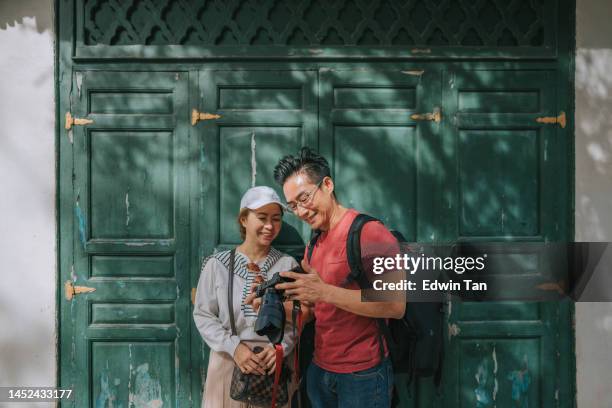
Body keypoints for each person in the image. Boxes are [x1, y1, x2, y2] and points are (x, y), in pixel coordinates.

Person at [272, 147, 405, 408]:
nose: (300, 211)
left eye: (305, 198)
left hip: (363, 375)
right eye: (293, 206)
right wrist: (273, 309)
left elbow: (395, 305)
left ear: (328, 185)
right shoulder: (314, 244)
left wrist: (325, 292)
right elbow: (311, 312)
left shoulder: (370, 233)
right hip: (320, 371)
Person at [193, 186, 299, 408]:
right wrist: (235, 348)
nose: (270, 226)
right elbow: (203, 315)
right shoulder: (217, 265)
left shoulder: (287, 266)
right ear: (243, 220)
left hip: (272, 368)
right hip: (227, 364)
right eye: (262, 218)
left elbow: (298, 320)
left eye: (276, 219)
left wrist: (280, 349)